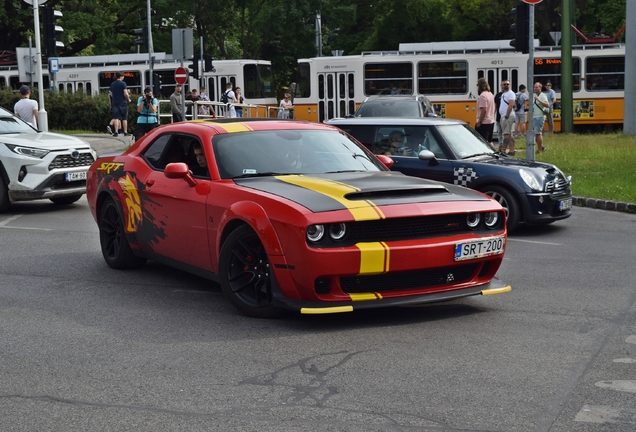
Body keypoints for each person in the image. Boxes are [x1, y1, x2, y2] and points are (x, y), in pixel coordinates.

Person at [474, 78, 495, 148]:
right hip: (491, 121)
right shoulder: (490, 94)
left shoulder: (482, 96)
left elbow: (484, 109)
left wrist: (479, 121)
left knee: (482, 141)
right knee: (490, 140)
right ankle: (493, 153)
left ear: (480, 86)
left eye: (478, 85)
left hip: (484, 122)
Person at [109, 72, 131, 137]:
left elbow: (111, 94)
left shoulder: (112, 84)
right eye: (123, 76)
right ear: (121, 76)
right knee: (124, 118)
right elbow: (126, 93)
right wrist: (128, 99)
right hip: (122, 102)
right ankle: (125, 132)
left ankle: (116, 132)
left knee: (116, 117)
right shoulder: (123, 83)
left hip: (114, 102)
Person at [499, 80, 516, 155]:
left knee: (505, 134)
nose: (505, 85)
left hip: (507, 116)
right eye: (504, 84)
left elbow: (511, 105)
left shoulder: (511, 93)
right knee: (509, 134)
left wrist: (507, 115)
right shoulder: (504, 94)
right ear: (501, 85)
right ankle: (512, 150)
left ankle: (503, 150)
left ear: (510, 85)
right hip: (504, 116)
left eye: (507, 84)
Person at [532, 81, 550, 153]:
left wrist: (538, 99)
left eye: (537, 87)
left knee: (538, 134)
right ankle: (541, 147)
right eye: (534, 87)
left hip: (539, 117)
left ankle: (539, 149)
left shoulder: (542, 95)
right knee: (536, 134)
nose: (535, 88)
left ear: (540, 88)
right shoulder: (536, 95)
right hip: (535, 116)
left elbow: (547, 105)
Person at [494, 83, 504, 149]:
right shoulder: (497, 95)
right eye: (503, 85)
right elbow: (495, 106)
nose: (504, 86)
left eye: (506, 84)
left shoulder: (509, 94)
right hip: (498, 117)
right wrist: (493, 114)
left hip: (505, 117)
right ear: (500, 86)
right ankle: (501, 146)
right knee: (499, 133)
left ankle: (505, 146)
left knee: (506, 133)